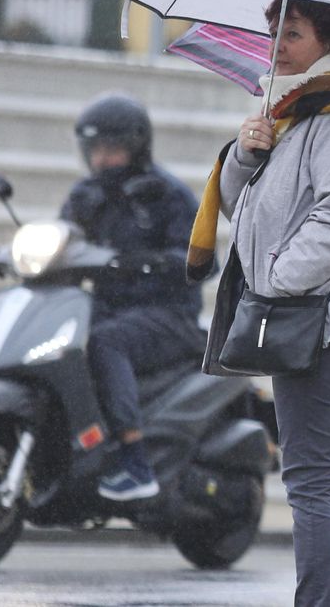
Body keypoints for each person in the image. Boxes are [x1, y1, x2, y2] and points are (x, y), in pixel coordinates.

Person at [187, 0, 330, 607]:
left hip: (322, 322)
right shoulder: (293, 113)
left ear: (328, 39)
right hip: (312, 318)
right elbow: (241, 207)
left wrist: (277, 282)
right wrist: (246, 154)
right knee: (327, 484)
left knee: (312, 482)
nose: (278, 45)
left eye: (294, 33)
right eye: (274, 32)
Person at [63, 92, 203, 501]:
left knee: (106, 342)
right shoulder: (86, 196)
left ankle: (134, 460)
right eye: (94, 150)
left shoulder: (167, 195)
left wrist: (154, 262)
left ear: (137, 146)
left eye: (111, 149)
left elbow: (200, 260)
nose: (101, 160)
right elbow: (62, 238)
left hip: (168, 315)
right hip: (108, 307)